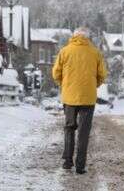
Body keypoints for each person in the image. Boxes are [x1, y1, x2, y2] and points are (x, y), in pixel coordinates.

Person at [52, 27, 107, 174]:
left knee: (69, 128)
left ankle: (67, 162)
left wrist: (64, 85)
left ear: (74, 37)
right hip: (88, 98)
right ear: (87, 38)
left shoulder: (65, 51)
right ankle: (80, 166)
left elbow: (56, 73)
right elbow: (102, 75)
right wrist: (93, 85)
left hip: (69, 97)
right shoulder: (95, 52)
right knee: (83, 131)